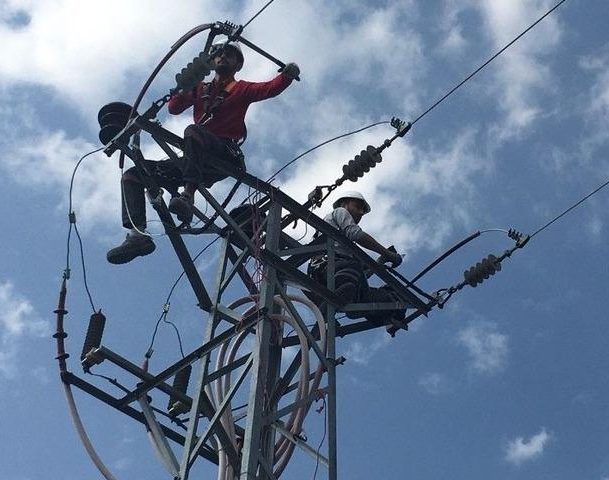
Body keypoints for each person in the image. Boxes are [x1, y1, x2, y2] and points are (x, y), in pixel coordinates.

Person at [107, 41, 300, 264]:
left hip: (223, 154)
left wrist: (287, 75)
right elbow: (174, 108)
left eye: (229, 55)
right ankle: (137, 235)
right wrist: (189, 82)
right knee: (133, 174)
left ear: (238, 65)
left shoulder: (242, 89)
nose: (222, 58)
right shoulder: (201, 89)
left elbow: (269, 88)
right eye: (218, 54)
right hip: (196, 157)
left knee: (193, 131)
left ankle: (188, 195)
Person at [309, 191, 407, 328]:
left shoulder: (343, 245)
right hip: (328, 268)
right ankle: (348, 297)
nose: (361, 212)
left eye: (363, 210)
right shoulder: (340, 212)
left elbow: (361, 275)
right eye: (357, 207)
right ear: (345, 203)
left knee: (380, 296)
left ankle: (387, 316)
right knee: (353, 268)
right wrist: (388, 254)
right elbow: (356, 234)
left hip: (323, 276)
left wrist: (380, 261)